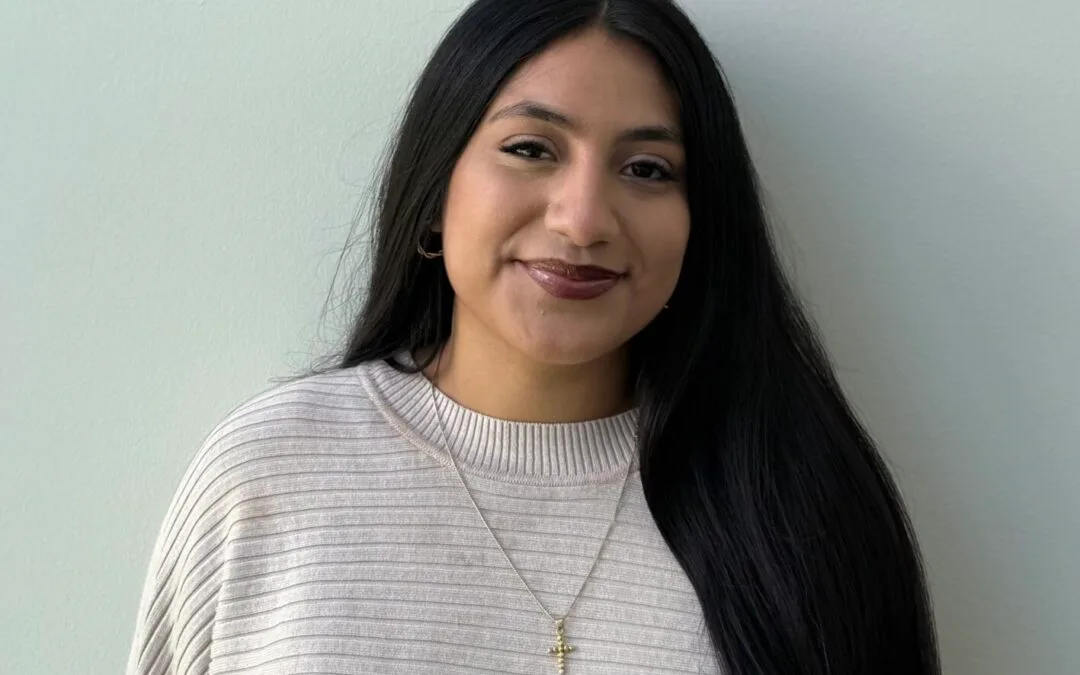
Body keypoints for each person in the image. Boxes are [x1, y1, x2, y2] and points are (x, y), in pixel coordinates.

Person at [126, 0, 941, 673]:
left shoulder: (797, 506)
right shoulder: (269, 475)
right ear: (434, 192)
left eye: (647, 168)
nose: (583, 219)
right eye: (530, 149)